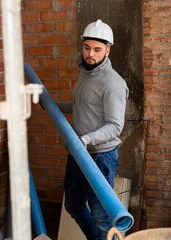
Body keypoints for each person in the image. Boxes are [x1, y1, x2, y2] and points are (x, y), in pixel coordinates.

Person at [56, 19, 129, 240]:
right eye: (87, 48)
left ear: (107, 51)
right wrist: (50, 103)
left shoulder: (112, 83)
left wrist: (85, 140)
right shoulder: (85, 72)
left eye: (97, 50)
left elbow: (115, 126)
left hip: (100, 157)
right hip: (78, 153)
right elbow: (82, 106)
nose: (91, 54)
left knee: (102, 217)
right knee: (73, 205)